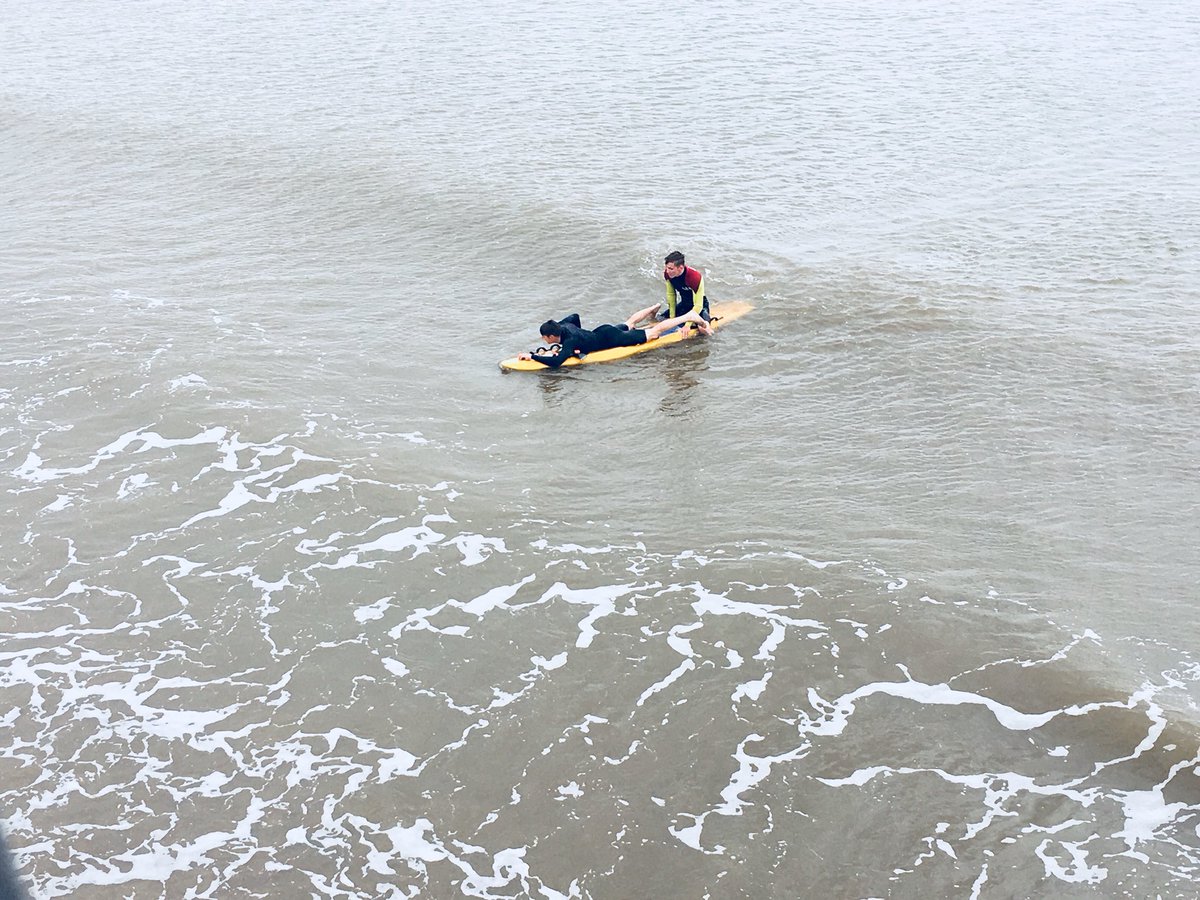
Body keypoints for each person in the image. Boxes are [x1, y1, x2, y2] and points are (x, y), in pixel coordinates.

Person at [518, 303, 712, 369]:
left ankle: (688, 316)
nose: (544, 341)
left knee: (654, 333)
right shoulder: (565, 326)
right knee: (628, 324)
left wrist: (532, 356)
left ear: (552, 336)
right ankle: (652, 309)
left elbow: (556, 363)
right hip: (602, 331)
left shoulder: (570, 341)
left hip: (612, 339)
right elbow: (575, 317)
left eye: (545, 337)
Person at [661, 250, 709, 327]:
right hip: (685, 304)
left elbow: (698, 305)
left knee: (702, 327)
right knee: (662, 318)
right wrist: (672, 318)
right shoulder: (667, 274)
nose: (667, 271)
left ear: (680, 267)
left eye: (671, 269)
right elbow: (671, 295)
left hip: (700, 306)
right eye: (666, 268)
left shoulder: (694, 277)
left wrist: (687, 325)